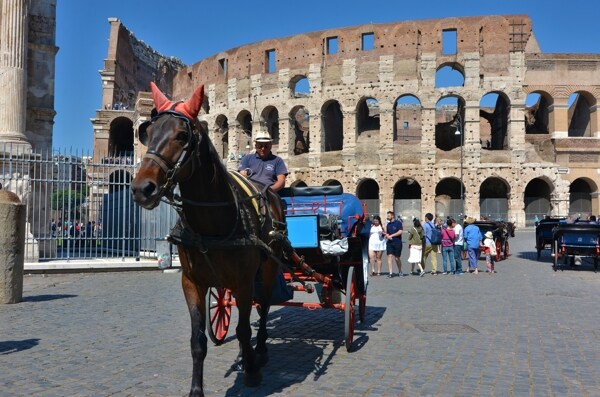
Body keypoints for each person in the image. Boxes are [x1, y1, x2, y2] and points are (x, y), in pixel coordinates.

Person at [384, 211, 404, 277]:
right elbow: (386, 233)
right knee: (389, 256)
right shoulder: (388, 224)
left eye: (389, 215)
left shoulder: (398, 223)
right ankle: (390, 273)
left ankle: (400, 271)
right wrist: (386, 235)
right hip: (390, 243)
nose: (387, 217)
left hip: (397, 242)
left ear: (392, 216)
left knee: (397, 258)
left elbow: (400, 231)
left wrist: (392, 235)